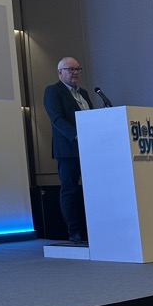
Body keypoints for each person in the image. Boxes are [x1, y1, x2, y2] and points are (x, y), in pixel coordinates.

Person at [43, 57, 92, 243]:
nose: (75, 73)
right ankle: (74, 232)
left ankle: (92, 228)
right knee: (69, 189)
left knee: (92, 188)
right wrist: (77, 135)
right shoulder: (53, 91)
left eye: (77, 69)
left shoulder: (84, 93)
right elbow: (56, 119)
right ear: (59, 72)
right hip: (68, 148)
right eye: (70, 69)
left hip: (90, 148)